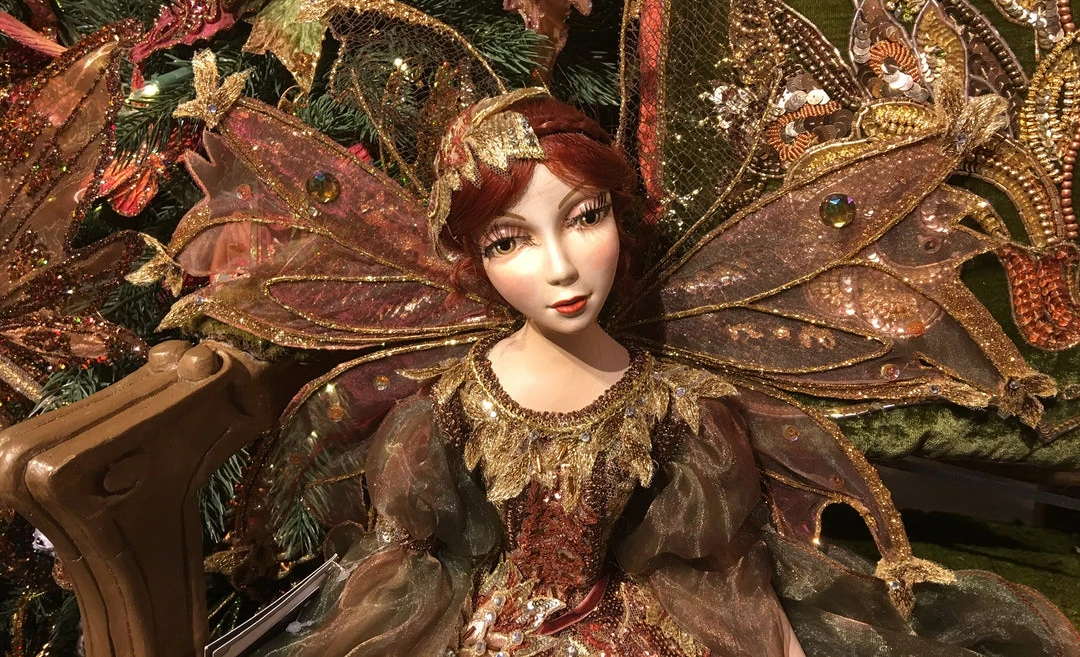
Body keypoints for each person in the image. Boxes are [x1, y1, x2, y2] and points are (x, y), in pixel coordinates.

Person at [251, 90, 1080, 657]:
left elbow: (718, 564)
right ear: (472, 259)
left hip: (626, 626)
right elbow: (416, 554)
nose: (561, 268)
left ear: (620, 214)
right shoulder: (455, 404)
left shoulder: (676, 409)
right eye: (509, 241)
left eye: (585, 218)